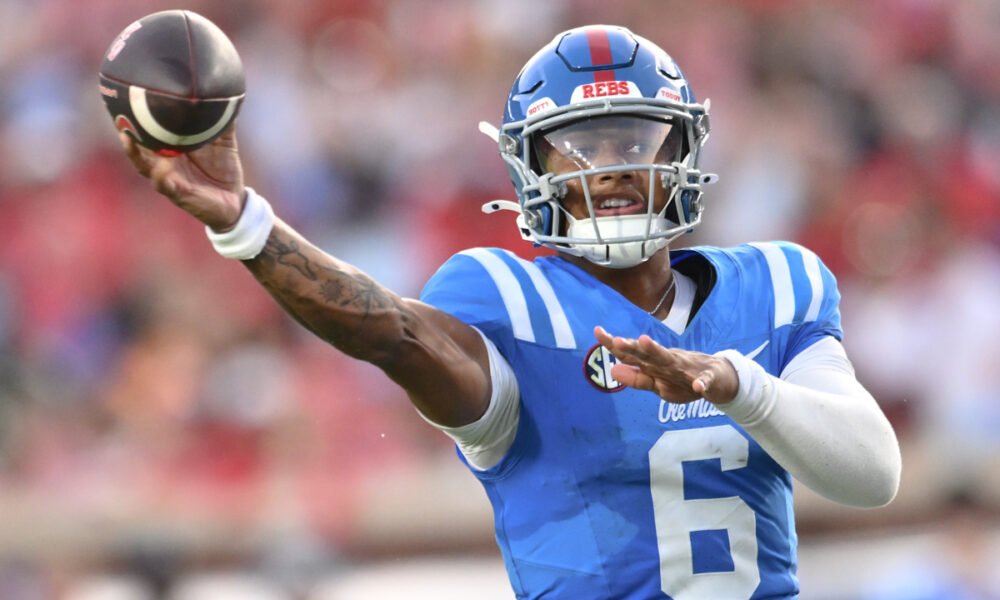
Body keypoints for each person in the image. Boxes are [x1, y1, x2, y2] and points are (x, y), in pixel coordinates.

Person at [118, 24, 901, 600]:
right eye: (581, 148)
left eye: (635, 138)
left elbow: (872, 476)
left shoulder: (780, 281)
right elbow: (390, 331)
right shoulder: (506, 300)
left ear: (682, 154)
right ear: (532, 170)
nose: (615, 168)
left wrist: (735, 383)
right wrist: (245, 224)